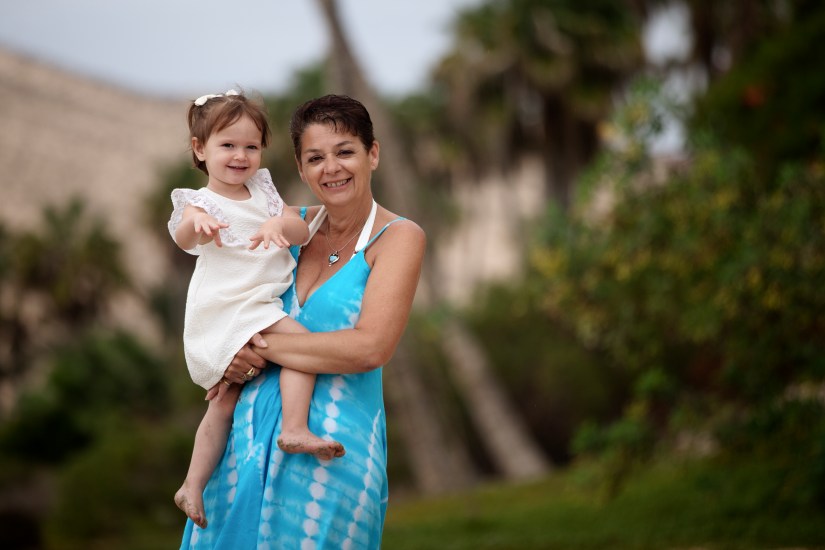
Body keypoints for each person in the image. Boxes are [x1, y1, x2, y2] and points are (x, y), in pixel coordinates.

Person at [179, 94, 426, 549]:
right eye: (315, 158)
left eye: (345, 151)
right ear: (299, 166)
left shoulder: (398, 237)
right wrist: (226, 355)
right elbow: (223, 295)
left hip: (333, 454)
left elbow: (369, 348)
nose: (331, 168)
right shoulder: (283, 226)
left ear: (373, 153)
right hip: (243, 447)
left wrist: (251, 347)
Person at [169, 89, 346, 530]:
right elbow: (183, 236)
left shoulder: (264, 191)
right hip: (233, 308)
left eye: (250, 146)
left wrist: (278, 223)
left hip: (257, 304)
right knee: (304, 348)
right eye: (227, 145)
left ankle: (191, 485)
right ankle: (294, 427)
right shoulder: (199, 202)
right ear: (200, 149)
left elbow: (301, 231)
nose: (240, 155)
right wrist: (199, 226)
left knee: (223, 403)